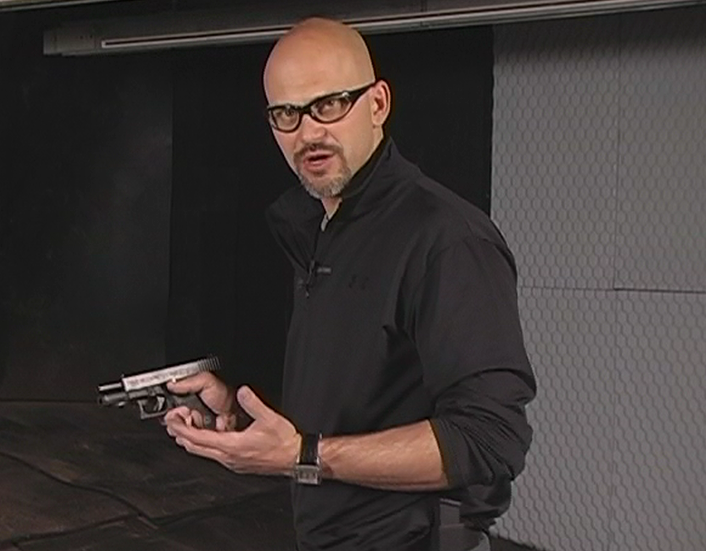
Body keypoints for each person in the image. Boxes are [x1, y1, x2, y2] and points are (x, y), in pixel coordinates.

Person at [164, 17, 536, 551]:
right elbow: (359, 398)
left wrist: (303, 456)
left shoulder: (447, 240)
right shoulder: (319, 229)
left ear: (378, 104)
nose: (309, 132)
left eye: (330, 104)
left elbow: (490, 439)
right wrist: (238, 408)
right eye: (287, 114)